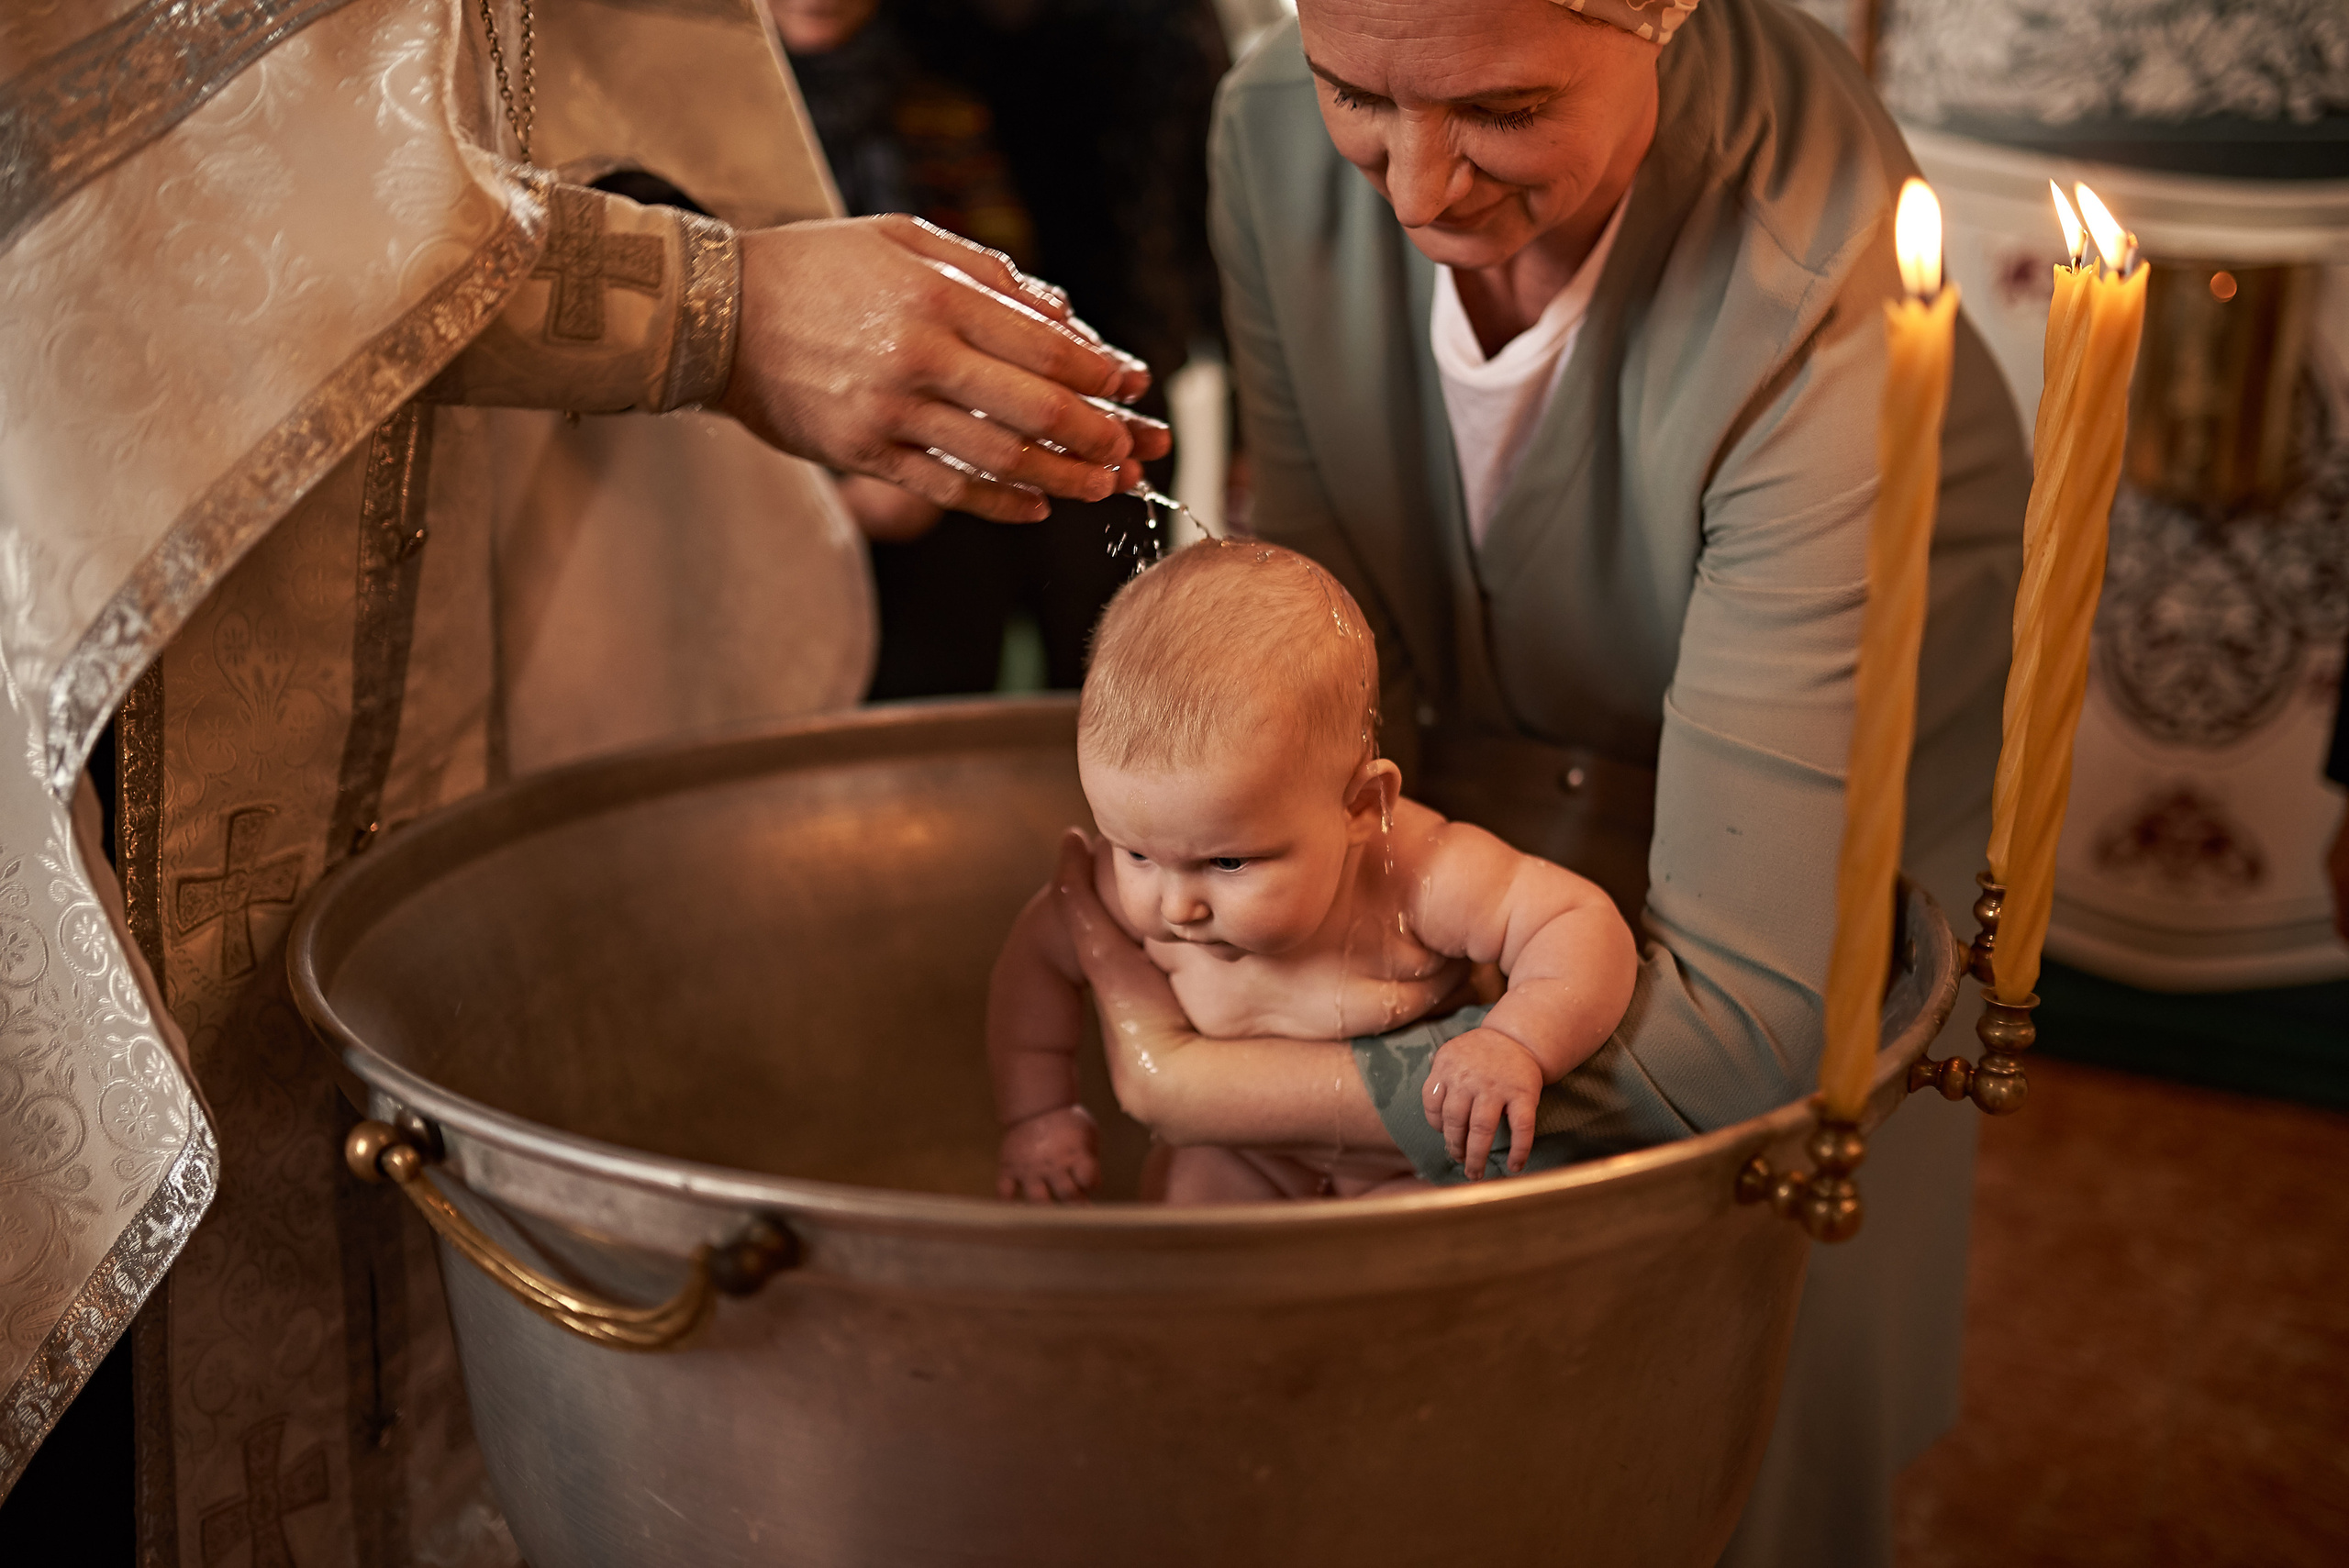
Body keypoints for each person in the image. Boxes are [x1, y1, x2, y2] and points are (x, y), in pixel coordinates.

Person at [0, 1, 1165, 1561]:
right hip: (90, 638)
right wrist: (712, 305)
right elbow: (99, 175)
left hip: (417, 580)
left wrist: (748, 262)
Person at [1048, 1, 2033, 1564]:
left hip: (1808, 848)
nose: (1416, 190)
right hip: (1501, 801)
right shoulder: (1264, 138)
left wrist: (1198, 1078)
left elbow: (1741, 1029)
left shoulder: (1820, 296)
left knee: (1725, 1391)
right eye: (1356, 90)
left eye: (1501, 109)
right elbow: (1321, 653)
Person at [988, 541, 1635, 1202]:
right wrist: (1040, 1112)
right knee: (1190, 1199)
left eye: (1228, 861)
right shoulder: (1126, 884)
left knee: (1431, 1233)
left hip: (1405, 1165)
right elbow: (1037, 956)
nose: (1177, 904)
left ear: (1361, 806)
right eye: (1137, 853)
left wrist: (1516, 1040)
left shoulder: (1418, 871)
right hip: (1248, 1156)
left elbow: (1579, 920)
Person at [775, 0, 1230, 695]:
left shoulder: (955, 78)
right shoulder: (722, 96)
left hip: (1069, 406)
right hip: (849, 479)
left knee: (1102, 682)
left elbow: (1021, 255)